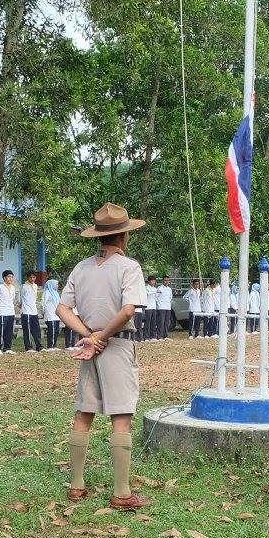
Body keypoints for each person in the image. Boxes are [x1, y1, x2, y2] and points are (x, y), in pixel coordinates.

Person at [57, 203, 149, 510]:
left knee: (84, 414)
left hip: (89, 348)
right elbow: (127, 311)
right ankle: (122, 492)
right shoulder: (129, 267)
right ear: (124, 236)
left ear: (98, 236)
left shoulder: (81, 268)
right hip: (116, 345)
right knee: (121, 416)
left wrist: (88, 336)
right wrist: (102, 337)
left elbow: (62, 309)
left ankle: (76, 486)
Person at [0, 270, 18, 354]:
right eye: (9, 277)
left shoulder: (13, 288)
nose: (11, 278)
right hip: (2, 312)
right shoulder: (0, 287)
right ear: (4, 278)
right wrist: (0, 306)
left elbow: (13, 299)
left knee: (9, 331)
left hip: (10, 311)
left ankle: (7, 348)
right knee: (0, 331)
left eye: (11, 277)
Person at [18, 271, 41, 352]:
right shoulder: (23, 286)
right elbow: (19, 299)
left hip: (34, 311)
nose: (32, 279)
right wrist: (22, 306)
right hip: (26, 312)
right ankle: (28, 347)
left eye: (34, 277)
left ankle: (39, 346)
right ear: (28, 277)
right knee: (27, 330)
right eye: (31, 277)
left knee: (36, 330)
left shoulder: (36, 286)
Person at [41, 277, 62, 350]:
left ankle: (54, 345)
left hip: (56, 315)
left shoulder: (56, 293)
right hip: (50, 315)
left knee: (56, 331)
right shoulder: (47, 292)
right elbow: (43, 304)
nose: (57, 286)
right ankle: (50, 346)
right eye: (56, 284)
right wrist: (44, 312)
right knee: (51, 330)